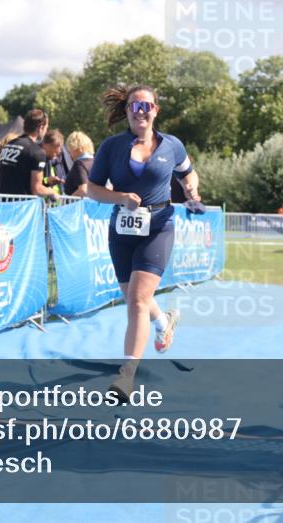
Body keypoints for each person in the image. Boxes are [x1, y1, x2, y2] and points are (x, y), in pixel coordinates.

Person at [85, 85, 201, 401]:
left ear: (155, 111)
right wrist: (120, 197)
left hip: (159, 226)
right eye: (135, 106)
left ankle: (126, 377)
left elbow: (189, 175)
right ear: (126, 111)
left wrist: (191, 191)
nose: (141, 112)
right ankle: (165, 322)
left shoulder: (172, 146)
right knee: (136, 297)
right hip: (121, 230)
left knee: (137, 299)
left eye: (146, 106)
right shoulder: (112, 147)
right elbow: (92, 188)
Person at [0, 109, 60, 198]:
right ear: (41, 127)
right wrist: (52, 192)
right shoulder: (37, 152)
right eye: (46, 127)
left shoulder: (9, 145)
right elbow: (37, 189)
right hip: (20, 207)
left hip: (2, 204)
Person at [64, 131, 95, 197]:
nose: (69, 154)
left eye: (70, 150)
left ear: (74, 148)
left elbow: (83, 190)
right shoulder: (96, 162)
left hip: (79, 206)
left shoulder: (79, 164)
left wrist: (66, 201)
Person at [40, 129, 66, 195]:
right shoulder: (38, 156)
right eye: (55, 153)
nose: (59, 151)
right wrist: (47, 181)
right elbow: (35, 183)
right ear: (48, 146)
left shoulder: (55, 160)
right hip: (41, 201)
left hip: (55, 201)